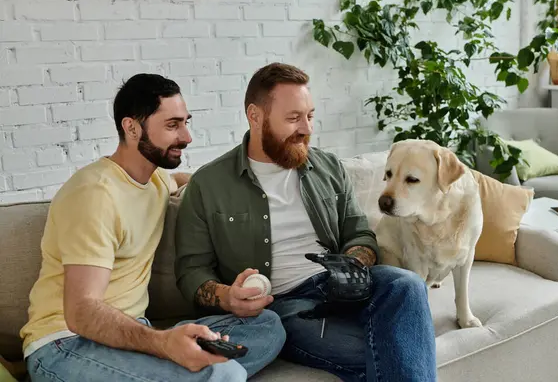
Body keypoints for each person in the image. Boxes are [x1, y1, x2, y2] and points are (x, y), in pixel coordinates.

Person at [174, 62, 437, 381]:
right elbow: (191, 271)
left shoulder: (327, 167)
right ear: (255, 116)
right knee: (383, 352)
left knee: (405, 284)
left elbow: (359, 234)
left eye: (309, 116)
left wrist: (353, 264)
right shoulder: (209, 184)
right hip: (286, 304)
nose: (306, 129)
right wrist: (227, 296)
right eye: (293, 118)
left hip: (342, 284)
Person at [19, 73, 285, 382]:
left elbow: (189, 181)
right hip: (65, 344)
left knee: (267, 326)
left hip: (132, 334)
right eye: (172, 125)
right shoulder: (94, 195)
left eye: (186, 122)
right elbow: (81, 312)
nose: (187, 137)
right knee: (223, 374)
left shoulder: (156, 180)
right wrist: (163, 345)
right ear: (131, 128)